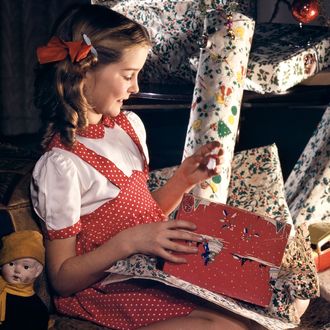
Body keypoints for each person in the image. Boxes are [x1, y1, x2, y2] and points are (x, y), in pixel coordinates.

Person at [30, 4, 254, 330]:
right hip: (107, 286)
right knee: (222, 326)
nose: (135, 88)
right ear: (84, 72)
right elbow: (63, 278)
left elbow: (145, 215)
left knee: (250, 311)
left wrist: (182, 180)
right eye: (127, 75)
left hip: (147, 267)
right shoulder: (62, 165)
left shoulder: (128, 127)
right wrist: (130, 242)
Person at [0, 231, 49, 330]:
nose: (17, 270)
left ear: (37, 271)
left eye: (26, 267)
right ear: (1, 265)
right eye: (11, 264)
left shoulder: (36, 308)